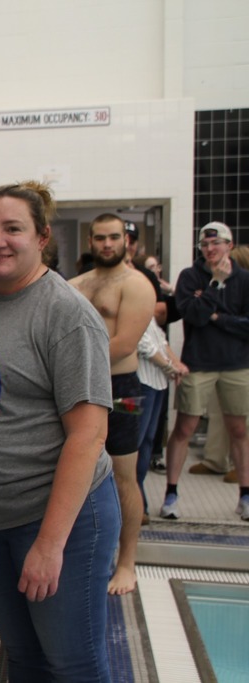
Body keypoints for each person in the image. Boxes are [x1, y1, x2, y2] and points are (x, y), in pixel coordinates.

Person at [0, 181, 120, 682]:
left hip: (58, 520)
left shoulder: (66, 314)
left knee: (74, 664)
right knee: (22, 657)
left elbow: (88, 436)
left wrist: (49, 543)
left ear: (42, 237)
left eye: (13, 229)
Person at [68, 213, 156, 595]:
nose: (107, 244)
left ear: (126, 241)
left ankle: (126, 563)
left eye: (114, 237)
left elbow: (123, 345)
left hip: (121, 389)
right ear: (90, 240)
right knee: (72, 470)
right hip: (76, 387)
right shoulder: (75, 284)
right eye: (100, 238)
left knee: (125, 475)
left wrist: (63, 361)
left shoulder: (136, 285)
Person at [161, 222, 249, 522]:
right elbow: (194, 316)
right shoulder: (191, 277)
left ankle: (245, 495)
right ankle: (171, 493)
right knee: (184, 428)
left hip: (236, 363)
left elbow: (246, 326)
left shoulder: (244, 279)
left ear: (230, 244)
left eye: (216, 244)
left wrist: (216, 316)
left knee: (239, 429)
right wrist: (213, 285)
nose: (210, 249)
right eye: (205, 245)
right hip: (199, 363)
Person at [190, 243, 249, 484]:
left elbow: (242, 324)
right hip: (219, 359)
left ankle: (239, 465)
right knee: (218, 412)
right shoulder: (220, 286)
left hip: (240, 360)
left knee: (240, 418)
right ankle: (216, 460)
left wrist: (216, 317)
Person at [134, 316, 188, 522]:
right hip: (139, 384)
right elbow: (142, 343)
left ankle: (140, 500)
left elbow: (160, 339)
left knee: (147, 443)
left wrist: (175, 363)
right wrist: (170, 367)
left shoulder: (146, 307)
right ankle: (135, 502)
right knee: (133, 445)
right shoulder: (132, 294)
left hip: (158, 384)